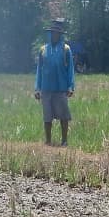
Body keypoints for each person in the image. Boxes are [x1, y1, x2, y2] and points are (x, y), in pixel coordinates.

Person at [34, 18, 75, 147]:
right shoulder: (43, 50)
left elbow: (70, 69)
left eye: (57, 33)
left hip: (61, 88)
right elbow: (39, 70)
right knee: (47, 117)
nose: (54, 35)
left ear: (60, 35)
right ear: (50, 34)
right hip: (46, 89)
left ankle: (64, 141)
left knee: (64, 116)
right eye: (52, 33)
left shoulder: (66, 49)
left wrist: (70, 86)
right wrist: (37, 88)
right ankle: (48, 141)